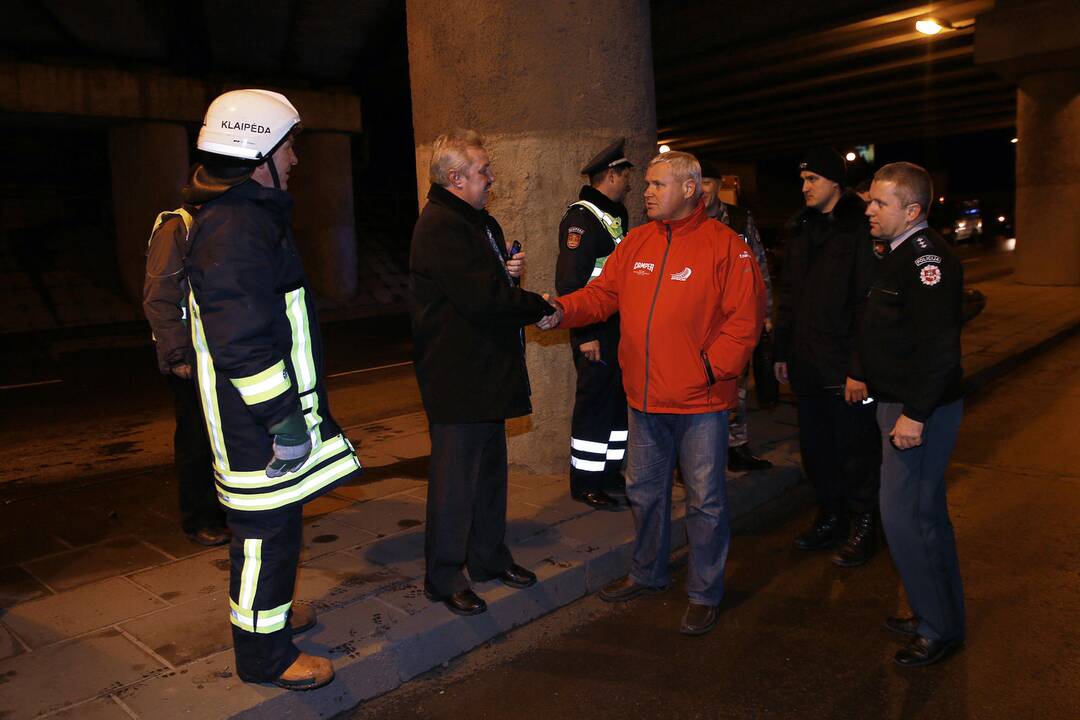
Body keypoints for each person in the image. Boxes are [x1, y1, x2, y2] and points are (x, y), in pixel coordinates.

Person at [541, 151, 764, 636]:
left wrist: (709, 369)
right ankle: (648, 572)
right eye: (645, 184)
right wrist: (562, 310)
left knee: (705, 502)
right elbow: (602, 296)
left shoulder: (727, 247)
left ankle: (704, 593)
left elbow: (745, 322)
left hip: (701, 403)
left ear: (689, 190)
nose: (646, 192)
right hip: (643, 398)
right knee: (645, 492)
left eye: (658, 185)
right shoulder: (637, 242)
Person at [184, 89, 364, 691]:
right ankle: (264, 657)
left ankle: (274, 616)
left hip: (259, 422)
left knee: (281, 532)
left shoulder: (242, 217)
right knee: (265, 538)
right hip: (257, 429)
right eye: (289, 147)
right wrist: (284, 424)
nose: (295, 160)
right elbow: (244, 344)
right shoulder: (236, 227)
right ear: (258, 149)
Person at [410, 129, 556, 617]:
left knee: (491, 474)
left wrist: (508, 274)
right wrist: (536, 305)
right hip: (458, 377)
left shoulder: (478, 222)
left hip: (486, 373)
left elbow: (487, 285)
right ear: (456, 178)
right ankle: (444, 575)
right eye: (483, 172)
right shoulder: (440, 226)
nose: (491, 179)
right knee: (455, 482)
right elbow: (480, 300)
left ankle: (490, 558)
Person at [859, 161, 965, 667]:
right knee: (922, 517)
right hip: (899, 403)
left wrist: (916, 415)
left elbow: (940, 347)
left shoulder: (928, 260)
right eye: (870, 199)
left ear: (912, 210)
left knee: (907, 519)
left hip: (918, 410)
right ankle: (938, 613)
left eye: (880, 202)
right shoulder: (899, 253)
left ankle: (936, 625)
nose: (869, 208)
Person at [773, 147, 882, 568]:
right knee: (817, 449)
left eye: (812, 179)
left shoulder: (861, 229)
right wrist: (781, 350)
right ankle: (831, 517)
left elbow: (867, 306)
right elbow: (790, 296)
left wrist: (859, 368)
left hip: (844, 365)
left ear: (835, 182)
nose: (804, 187)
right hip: (807, 362)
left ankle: (865, 523)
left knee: (855, 448)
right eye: (802, 180)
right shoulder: (801, 228)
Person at [143, 208, 229, 547]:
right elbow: (159, 296)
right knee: (196, 438)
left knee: (221, 436)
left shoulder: (218, 223)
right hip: (190, 356)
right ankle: (200, 519)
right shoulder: (177, 228)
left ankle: (224, 510)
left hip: (216, 350)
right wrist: (177, 355)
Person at [555, 138, 633, 511]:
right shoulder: (581, 220)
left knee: (617, 403)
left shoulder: (617, 215)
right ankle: (586, 482)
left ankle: (609, 472)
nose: (630, 183)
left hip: (618, 329)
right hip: (595, 333)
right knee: (594, 405)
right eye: (626, 175)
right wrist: (584, 335)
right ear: (612, 174)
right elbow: (570, 284)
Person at [699, 160, 773, 473]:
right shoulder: (688, 220)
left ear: (718, 185)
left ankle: (736, 446)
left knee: (737, 385)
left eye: (707, 182)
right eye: (696, 182)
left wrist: (765, 312)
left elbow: (759, 267)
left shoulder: (740, 219)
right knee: (702, 386)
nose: (701, 189)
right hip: (701, 320)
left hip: (735, 317)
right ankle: (698, 452)